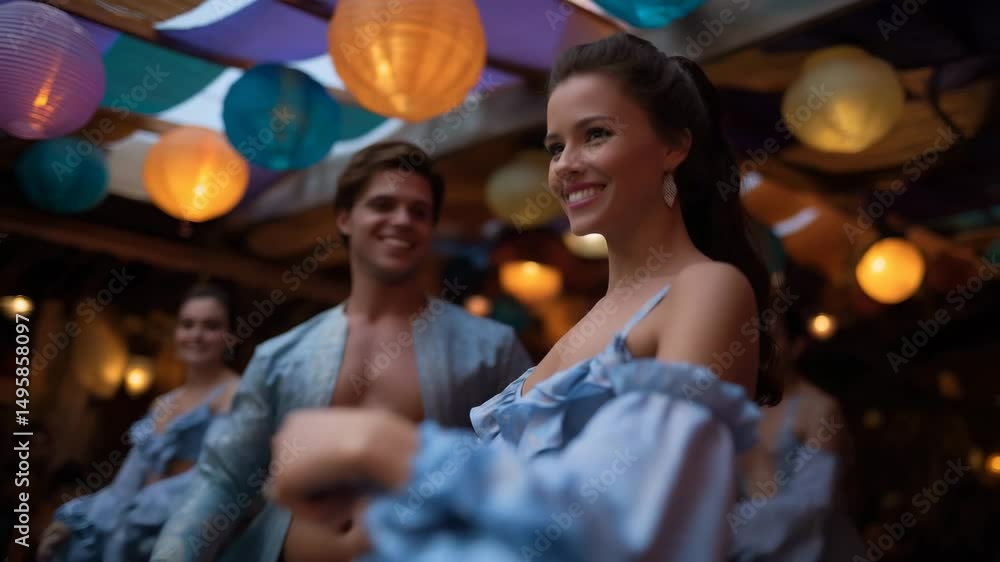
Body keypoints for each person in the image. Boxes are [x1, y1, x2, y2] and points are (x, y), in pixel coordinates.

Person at [265, 32, 782, 562]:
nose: (566, 164)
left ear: (674, 145)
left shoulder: (707, 288)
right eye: (556, 147)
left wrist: (386, 447)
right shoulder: (592, 318)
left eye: (596, 134)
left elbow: (644, 520)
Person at [152, 141, 533, 562]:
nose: (402, 220)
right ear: (345, 218)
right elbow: (224, 479)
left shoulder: (490, 349)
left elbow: (527, 467)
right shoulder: (281, 356)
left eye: (418, 211)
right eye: (383, 205)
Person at [38, 284, 242, 562]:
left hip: (186, 541)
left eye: (211, 325)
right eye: (187, 324)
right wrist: (77, 519)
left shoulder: (236, 395)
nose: (196, 335)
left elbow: (214, 481)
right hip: (129, 537)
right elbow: (127, 483)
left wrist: (134, 513)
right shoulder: (162, 404)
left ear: (230, 336)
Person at [729, 307, 864, 561]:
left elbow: (812, 505)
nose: (761, 347)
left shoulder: (819, 408)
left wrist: (720, 532)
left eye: (772, 337)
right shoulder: (736, 405)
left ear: (797, 346)